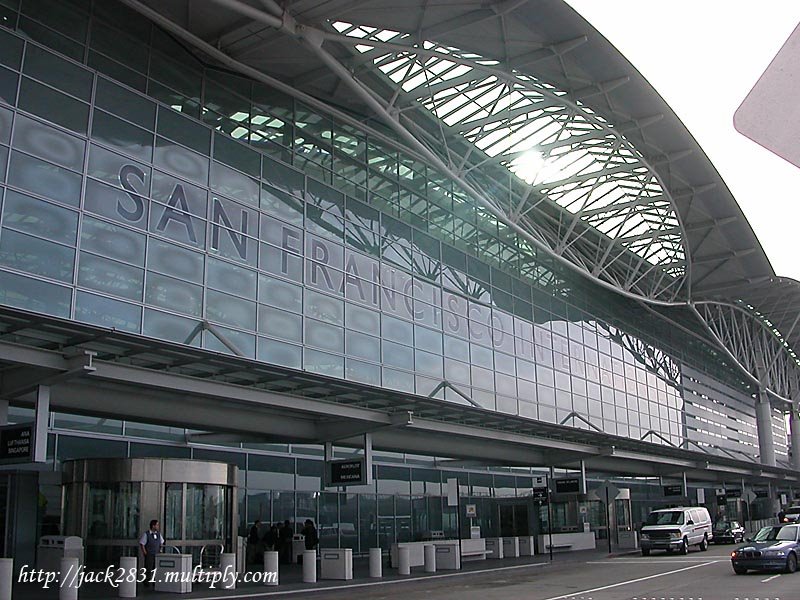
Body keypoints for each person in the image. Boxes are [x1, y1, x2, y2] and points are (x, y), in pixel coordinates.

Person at [139, 519, 164, 586]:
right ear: (153, 526)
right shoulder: (146, 534)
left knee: (155, 568)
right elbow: (142, 544)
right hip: (149, 554)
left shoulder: (158, 534)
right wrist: (145, 553)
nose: (158, 526)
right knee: (148, 568)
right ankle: (146, 582)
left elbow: (161, 542)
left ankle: (155, 582)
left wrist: (160, 550)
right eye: (157, 525)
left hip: (157, 554)